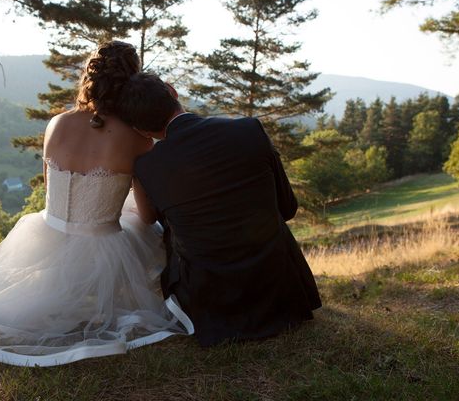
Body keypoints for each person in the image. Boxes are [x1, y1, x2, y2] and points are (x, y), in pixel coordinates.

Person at [0, 41, 193, 367]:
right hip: (102, 248)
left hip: (46, 235)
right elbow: (147, 217)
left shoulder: (56, 123)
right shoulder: (138, 139)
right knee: (144, 230)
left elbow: (52, 191)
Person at [117, 72, 322, 347]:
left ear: (140, 130)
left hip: (210, 302)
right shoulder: (249, 130)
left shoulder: (147, 167)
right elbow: (288, 208)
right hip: (280, 291)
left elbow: (149, 218)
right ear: (172, 91)